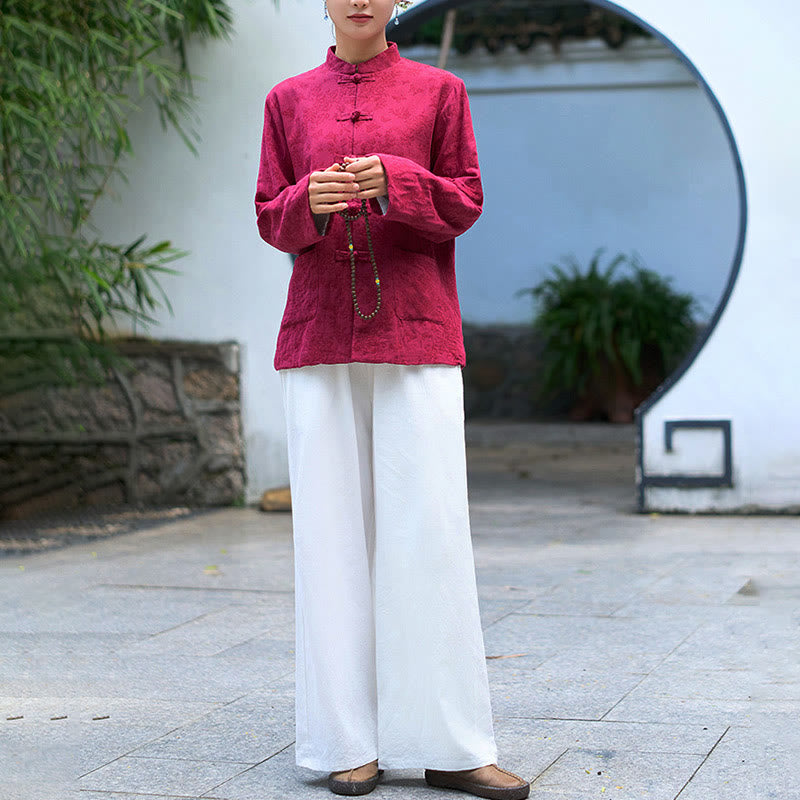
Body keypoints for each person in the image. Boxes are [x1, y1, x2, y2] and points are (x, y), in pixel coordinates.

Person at [254, 0, 530, 797]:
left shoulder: (440, 92)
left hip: (417, 331)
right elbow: (271, 215)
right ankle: (347, 742)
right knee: (331, 540)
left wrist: (396, 181)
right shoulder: (286, 100)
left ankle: (453, 746)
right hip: (318, 335)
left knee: (431, 533)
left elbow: (466, 200)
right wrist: (313, 198)